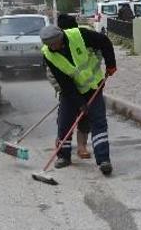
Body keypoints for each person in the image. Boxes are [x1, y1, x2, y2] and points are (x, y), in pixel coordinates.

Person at [39, 23, 117, 175]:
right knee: (64, 122)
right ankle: (63, 156)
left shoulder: (79, 35)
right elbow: (64, 82)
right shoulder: (48, 54)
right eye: (49, 45)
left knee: (98, 122)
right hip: (71, 91)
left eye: (54, 44)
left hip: (93, 85)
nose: (52, 48)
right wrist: (79, 103)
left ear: (60, 38)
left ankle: (104, 161)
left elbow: (104, 42)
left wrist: (111, 64)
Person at [54, 14, 91, 160]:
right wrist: (62, 88)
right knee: (64, 119)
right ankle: (62, 143)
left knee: (84, 117)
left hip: (85, 87)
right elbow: (52, 74)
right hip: (67, 91)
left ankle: (82, 146)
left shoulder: (82, 39)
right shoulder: (53, 45)